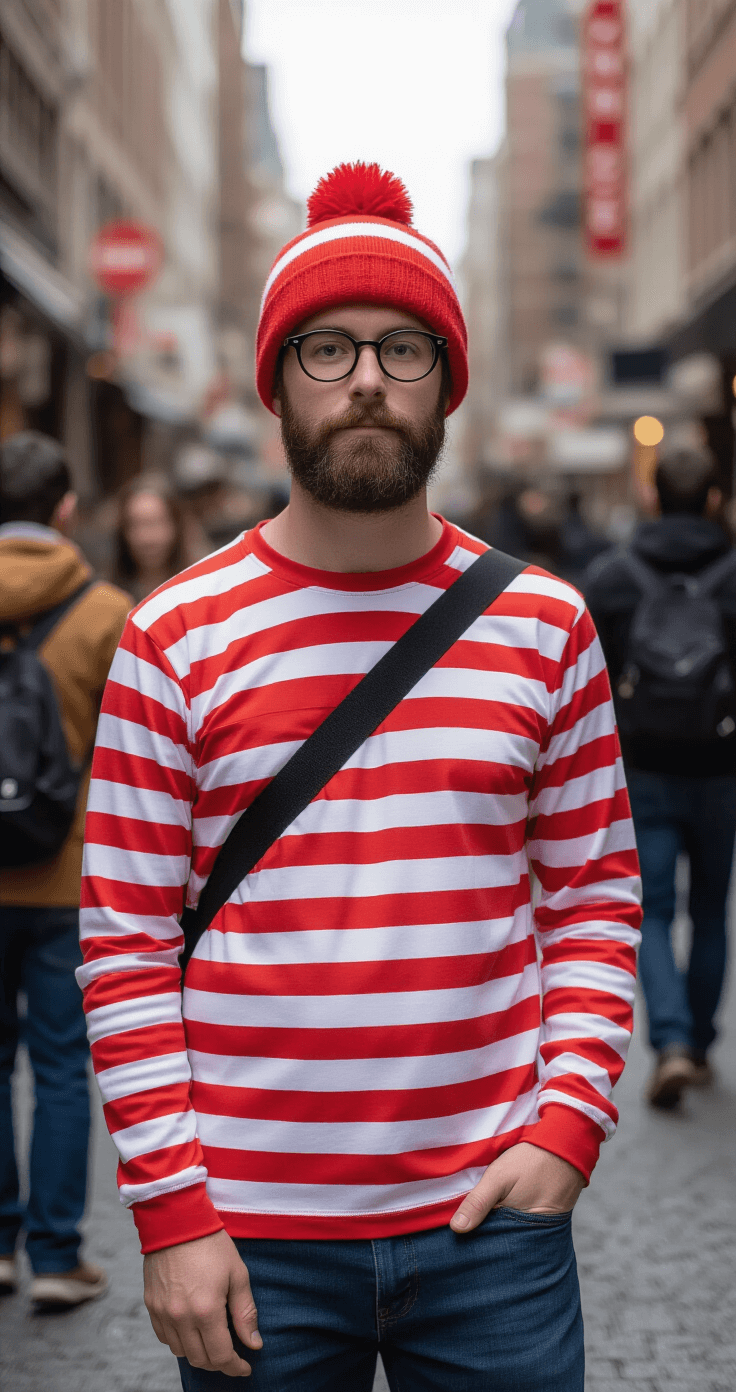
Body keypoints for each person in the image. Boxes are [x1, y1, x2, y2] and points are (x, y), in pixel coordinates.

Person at [78, 164, 642, 1390]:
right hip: (252, 1234)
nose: (369, 381)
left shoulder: (545, 624)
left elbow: (594, 899)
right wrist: (173, 1213)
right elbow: (121, 941)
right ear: (276, 380)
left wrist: (567, 1128)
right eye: (327, 351)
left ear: (448, 382)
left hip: (494, 1225)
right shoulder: (172, 635)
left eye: (404, 348)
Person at [0, 432, 130, 1306]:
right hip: (66, 871)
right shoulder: (108, 610)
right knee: (58, 1066)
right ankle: (54, 1256)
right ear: (66, 508)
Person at [586, 447, 736, 1109]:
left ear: (652, 498)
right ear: (712, 501)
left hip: (641, 767)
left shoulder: (613, 576)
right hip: (722, 767)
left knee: (653, 913)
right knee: (710, 911)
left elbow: (588, 679)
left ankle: (670, 1040)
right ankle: (701, 1045)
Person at [112, 472, 191, 602]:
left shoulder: (199, 589)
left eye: (155, 523)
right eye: (136, 525)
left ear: (176, 526)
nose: (146, 538)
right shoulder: (113, 597)